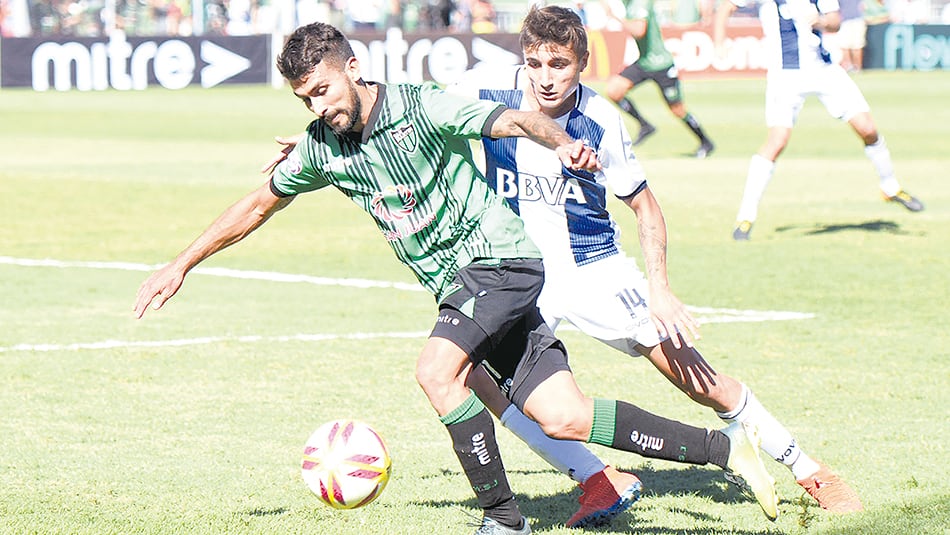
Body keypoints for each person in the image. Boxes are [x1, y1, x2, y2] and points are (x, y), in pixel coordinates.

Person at [141, 21, 782, 535]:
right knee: (563, 416)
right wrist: (180, 263)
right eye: (305, 98)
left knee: (435, 370)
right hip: (468, 287)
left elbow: (510, 119)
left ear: (353, 69)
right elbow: (255, 205)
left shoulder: (420, 107)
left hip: (498, 263)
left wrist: (558, 141)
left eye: (324, 89)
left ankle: (503, 517)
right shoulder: (321, 147)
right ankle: (728, 452)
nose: (318, 105)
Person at [451, 4, 861, 517]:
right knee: (476, 376)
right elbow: (416, 107)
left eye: (560, 64)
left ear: (582, 61)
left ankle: (807, 468)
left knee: (697, 381)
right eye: (535, 63)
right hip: (522, 277)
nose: (546, 78)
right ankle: (598, 480)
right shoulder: (486, 87)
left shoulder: (600, 119)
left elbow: (644, 205)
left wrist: (660, 289)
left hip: (593, 271)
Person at [714, 0, 924, 241]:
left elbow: (835, 22)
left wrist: (820, 21)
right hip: (785, 76)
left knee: (867, 128)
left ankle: (890, 186)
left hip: (823, 70)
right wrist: (720, 43)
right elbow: (725, 8)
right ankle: (746, 215)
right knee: (777, 141)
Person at [602, 0, 715, 158]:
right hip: (645, 62)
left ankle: (706, 142)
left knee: (677, 110)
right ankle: (645, 125)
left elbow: (639, 30)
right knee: (614, 90)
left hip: (661, 64)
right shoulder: (628, 3)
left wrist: (614, 17)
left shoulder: (640, 3)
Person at [833, 0, 867, 73]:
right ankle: (850, 67)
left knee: (856, 46)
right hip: (846, 20)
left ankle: (856, 68)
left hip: (853, 20)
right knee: (846, 46)